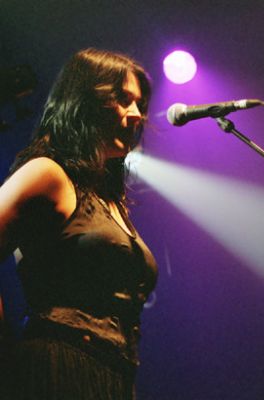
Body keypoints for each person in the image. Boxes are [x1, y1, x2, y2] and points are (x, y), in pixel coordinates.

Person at [0, 48, 157, 400]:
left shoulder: (110, 201)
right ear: (85, 101)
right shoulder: (47, 173)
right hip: (57, 369)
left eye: (140, 104)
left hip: (112, 377)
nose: (137, 114)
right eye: (123, 99)